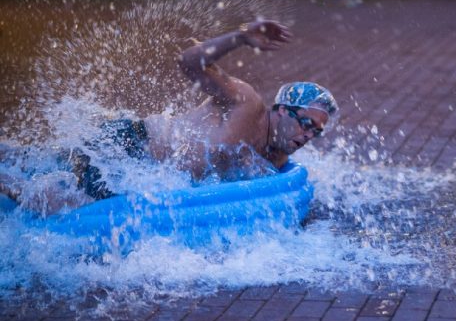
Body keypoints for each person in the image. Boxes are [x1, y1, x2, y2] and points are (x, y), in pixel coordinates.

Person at [0, 20, 338, 215]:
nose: (308, 135)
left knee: (43, 164)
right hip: (129, 146)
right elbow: (190, 62)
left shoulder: (276, 158)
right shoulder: (247, 104)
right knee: (61, 206)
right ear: (282, 110)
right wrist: (240, 37)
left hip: (145, 174)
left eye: (317, 132)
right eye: (306, 123)